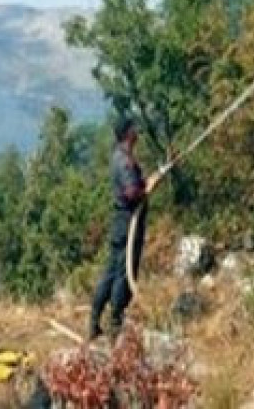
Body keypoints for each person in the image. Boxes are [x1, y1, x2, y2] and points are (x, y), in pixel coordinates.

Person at [89, 117, 163, 340]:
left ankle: (94, 322)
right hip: (128, 225)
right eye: (134, 129)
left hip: (120, 225)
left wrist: (148, 181)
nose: (137, 132)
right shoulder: (125, 162)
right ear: (128, 133)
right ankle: (115, 325)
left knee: (111, 273)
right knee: (122, 274)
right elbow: (131, 193)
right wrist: (148, 189)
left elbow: (132, 187)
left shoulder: (120, 157)